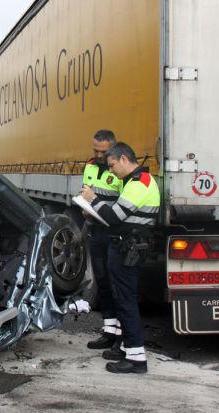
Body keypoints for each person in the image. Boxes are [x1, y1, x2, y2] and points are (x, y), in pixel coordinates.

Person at [81, 142, 160, 374]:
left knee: (125, 302)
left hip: (128, 250)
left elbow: (115, 216)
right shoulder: (136, 182)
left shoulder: (139, 184)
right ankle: (127, 349)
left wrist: (93, 199)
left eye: (113, 165)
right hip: (127, 248)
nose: (112, 171)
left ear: (124, 159)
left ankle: (136, 358)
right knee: (124, 299)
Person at [82, 130, 124, 351]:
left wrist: (98, 205)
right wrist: (86, 209)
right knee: (104, 284)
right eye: (95, 150)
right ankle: (108, 332)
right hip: (96, 231)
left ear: (113, 149)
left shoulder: (119, 170)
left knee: (118, 286)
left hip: (114, 233)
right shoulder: (89, 165)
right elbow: (86, 192)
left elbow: (124, 204)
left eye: (103, 151)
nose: (98, 155)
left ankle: (121, 335)